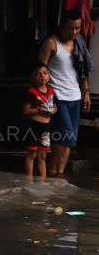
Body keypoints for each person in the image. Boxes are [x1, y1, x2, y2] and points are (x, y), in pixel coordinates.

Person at [38, 9, 93, 178]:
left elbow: (82, 72)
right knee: (64, 137)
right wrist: (42, 96)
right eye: (70, 28)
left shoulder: (79, 43)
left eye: (77, 28)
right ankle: (52, 171)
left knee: (71, 140)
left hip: (75, 96)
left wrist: (86, 93)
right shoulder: (51, 43)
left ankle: (60, 173)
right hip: (57, 96)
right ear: (61, 26)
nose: (74, 32)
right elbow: (39, 70)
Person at [23, 62, 57, 177]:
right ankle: (29, 181)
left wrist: (52, 111)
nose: (42, 76)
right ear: (32, 78)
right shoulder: (31, 92)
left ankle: (43, 182)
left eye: (44, 73)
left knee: (42, 156)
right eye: (38, 74)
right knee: (31, 154)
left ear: (49, 76)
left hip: (46, 128)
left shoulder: (51, 91)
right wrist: (39, 111)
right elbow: (26, 111)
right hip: (33, 126)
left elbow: (55, 107)